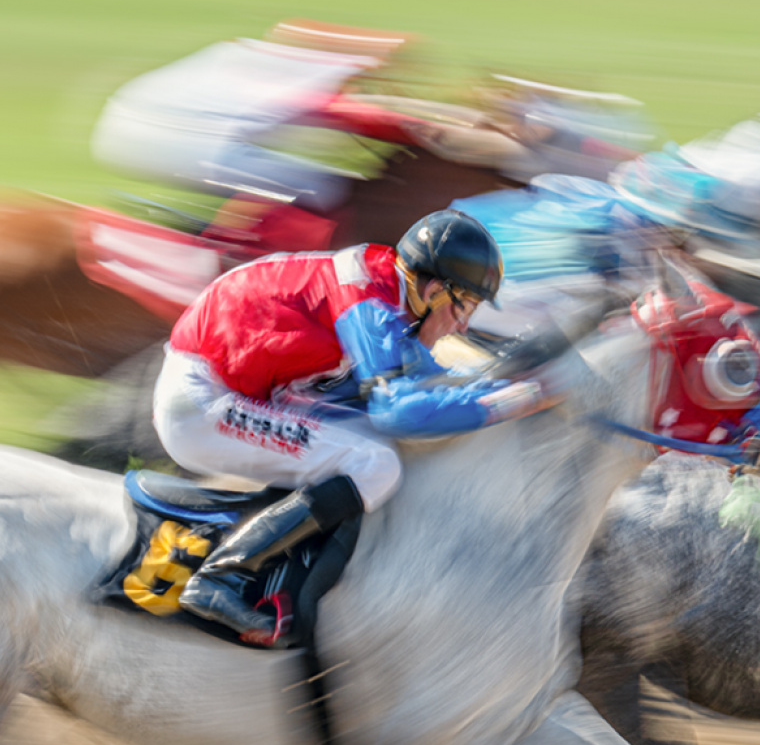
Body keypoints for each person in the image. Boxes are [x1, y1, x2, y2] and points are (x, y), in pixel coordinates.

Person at [151, 210, 551, 639]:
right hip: (202, 401)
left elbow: (428, 380)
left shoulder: (388, 290)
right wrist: (520, 398)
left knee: (374, 446)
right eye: (464, 306)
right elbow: (397, 411)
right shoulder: (369, 303)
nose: (463, 325)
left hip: (239, 385)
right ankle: (220, 575)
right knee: (375, 464)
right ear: (434, 290)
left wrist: (501, 385)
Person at [91, 21, 525, 245]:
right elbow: (379, 122)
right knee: (327, 191)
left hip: (139, 115)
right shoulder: (321, 80)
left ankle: (214, 237)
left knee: (309, 182)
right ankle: (240, 257)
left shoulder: (289, 57)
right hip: (174, 137)